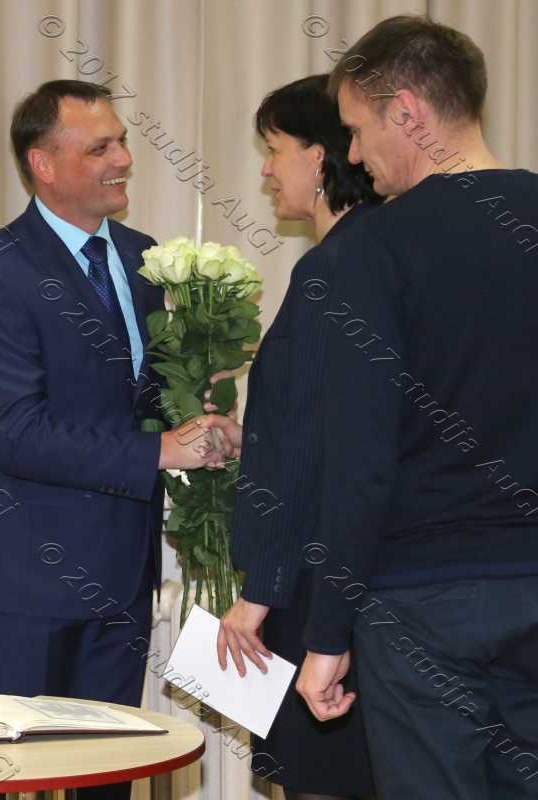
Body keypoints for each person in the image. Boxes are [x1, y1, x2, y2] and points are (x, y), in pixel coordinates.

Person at [285, 15, 538, 799]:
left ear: (406, 112)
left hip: (419, 601)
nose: (354, 154)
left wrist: (327, 633)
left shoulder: (372, 248)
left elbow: (359, 460)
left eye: (356, 129)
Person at [0, 79, 228, 800]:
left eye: (122, 141)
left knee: (109, 780)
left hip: (124, 574)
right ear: (43, 164)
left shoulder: (143, 258)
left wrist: (201, 410)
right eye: (100, 147)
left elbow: (141, 399)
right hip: (28, 581)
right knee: (29, 784)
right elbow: (17, 433)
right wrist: (161, 451)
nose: (124, 159)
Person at [212, 75, 381, 800]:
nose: (266, 168)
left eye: (275, 147)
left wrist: (261, 590)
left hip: (316, 585)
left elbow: (314, 450)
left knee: (322, 781)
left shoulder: (333, 270)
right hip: (363, 572)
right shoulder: (379, 255)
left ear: (320, 156)